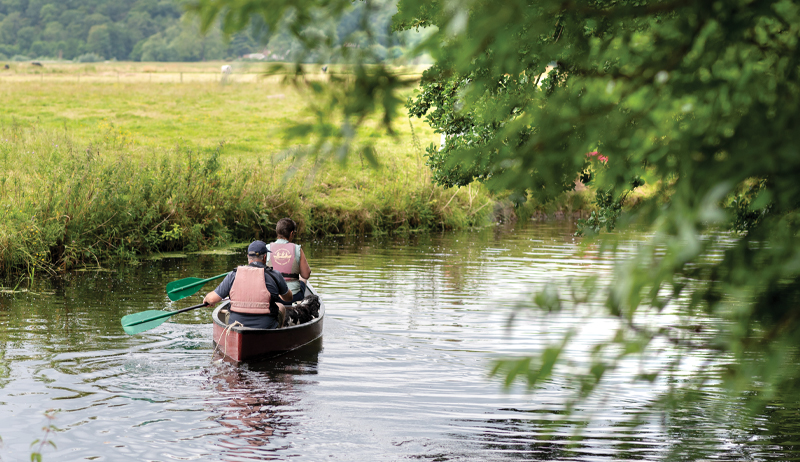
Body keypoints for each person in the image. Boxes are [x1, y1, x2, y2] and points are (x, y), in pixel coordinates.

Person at [203, 240, 293, 329]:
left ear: (248, 257)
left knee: (228, 312)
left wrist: (207, 299)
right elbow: (288, 298)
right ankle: (276, 337)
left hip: (236, 325)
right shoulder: (275, 275)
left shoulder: (233, 275)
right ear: (265, 257)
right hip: (266, 327)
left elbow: (212, 299)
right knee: (281, 307)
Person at [267, 218, 312, 304]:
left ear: (277, 232)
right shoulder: (297, 249)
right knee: (302, 278)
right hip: (293, 297)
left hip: (273, 297)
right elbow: (306, 274)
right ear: (291, 233)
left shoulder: (267, 248)